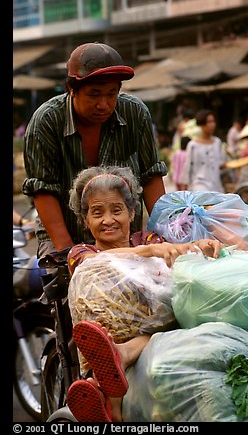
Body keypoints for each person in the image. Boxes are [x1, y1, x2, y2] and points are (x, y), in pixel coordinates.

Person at [65, 165, 222, 422]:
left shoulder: (149, 239)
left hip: (162, 330)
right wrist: (148, 253)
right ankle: (110, 377)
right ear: (85, 220)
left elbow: (176, 255)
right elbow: (95, 264)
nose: (108, 220)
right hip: (114, 333)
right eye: (97, 213)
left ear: (132, 212)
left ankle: (114, 373)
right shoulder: (81, 253)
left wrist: (198, 247)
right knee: (94, 282)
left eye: (117, 210)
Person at [22, 42, 168, 259]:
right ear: (72, 89)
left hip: (124, 237)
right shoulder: (47, 120)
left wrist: (165, 236)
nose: (104, 104)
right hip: (63, 235)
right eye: (94, 94)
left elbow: (151, 176)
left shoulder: (135, 113)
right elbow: (43, 190)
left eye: (111, 93)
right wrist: (70, 254)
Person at [180, 109, 226, 192]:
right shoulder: (193, 145)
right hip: (199, 186)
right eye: (209, 122)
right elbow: (187, 167)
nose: (212, 125)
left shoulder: (217, 142)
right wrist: (184, 187)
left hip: (215, 185)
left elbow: (221, 163)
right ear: (201, 124)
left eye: (213, 121)